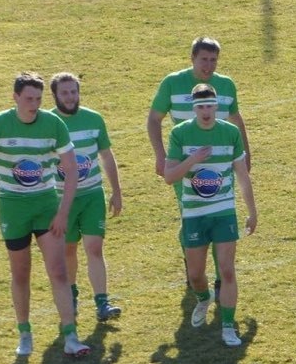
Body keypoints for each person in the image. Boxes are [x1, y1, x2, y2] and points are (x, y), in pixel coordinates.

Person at [0, 72, 90, 357]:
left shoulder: (53, 124)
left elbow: (71, 169)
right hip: (13, 208)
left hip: (46, 206)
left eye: (38, 98)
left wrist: (63, 212)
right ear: (15, 97)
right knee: (21, 273)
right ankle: (25, 333)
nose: (34, 104)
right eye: (29, 99)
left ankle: (70, 336)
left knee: (58, 272)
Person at [147, 36, 251, 298]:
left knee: (219, 214)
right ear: (192, 58)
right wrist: (161, 155)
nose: (208, 65)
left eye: (213, 60)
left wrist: (246, 153)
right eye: (203, 59)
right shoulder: (172, 83)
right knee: (191, 214)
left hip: (220, 167)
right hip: (186, 169)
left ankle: (219, 279)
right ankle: (193, 266)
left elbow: (237, 119)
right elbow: (154, 119)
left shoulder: (226, 85)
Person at [163, 84, 258, 347]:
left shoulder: (230, 133)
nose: (206, 111)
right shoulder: (180, 134)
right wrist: (193, 159)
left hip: (223, 211)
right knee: (195, 274)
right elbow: (169, 176)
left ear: (217, 106)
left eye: (209, 106)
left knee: (227, 271)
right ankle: (204, 299)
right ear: (193, 109)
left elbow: (242, 175)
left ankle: (228, 326)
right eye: (200, 107)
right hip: (194, 214)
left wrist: (252, 211)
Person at [50, 73, 124, 322]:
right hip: (62, 200)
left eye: (74, 92)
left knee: (94, 247)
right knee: (68, 249)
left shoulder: (94, 119)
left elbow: (106, 155)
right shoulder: (48, 123)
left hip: (92, 194)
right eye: (65, 93)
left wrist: (116, 191)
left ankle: (102, 302)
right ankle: (71, 297)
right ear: (55, 96)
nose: (70, 97)